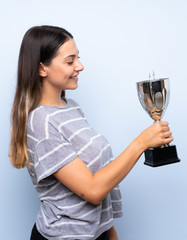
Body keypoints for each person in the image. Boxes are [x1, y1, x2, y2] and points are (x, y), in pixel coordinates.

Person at [9, 25, 173, 240]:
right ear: (42, 69)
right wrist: (140, 143)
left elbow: (101, 180)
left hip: (98, 234)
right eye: (70, 61)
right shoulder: (41, 123)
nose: (80, 66)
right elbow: (93, 190)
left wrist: (109, 232)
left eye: (78, 58)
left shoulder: (71, 107)